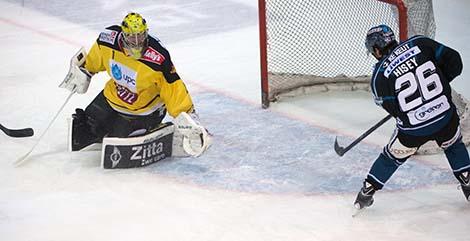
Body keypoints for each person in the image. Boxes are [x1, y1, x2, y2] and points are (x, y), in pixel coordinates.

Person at [59, 12, 210, 154]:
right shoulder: (107, 41)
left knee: (117, 138)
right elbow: (95, 60)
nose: (137, 42)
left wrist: (188, 117)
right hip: (113, 96)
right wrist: (84, 71)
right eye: (132, 38)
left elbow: (174, 88)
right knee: (88, 125)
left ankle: (153, 128)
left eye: (141, 36)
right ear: (123, 36)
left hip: (145, 109)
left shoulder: (158, 59)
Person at [354, 24, 470, 209]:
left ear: (376, 49)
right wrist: (439, 84)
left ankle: (366, 193)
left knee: (390, 157)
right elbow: (455, 62)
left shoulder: (379, 76)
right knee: (453, 145)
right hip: (445, 118)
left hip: (413, 131)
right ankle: (467, 180)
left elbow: (393, 109)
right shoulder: (420, 43)